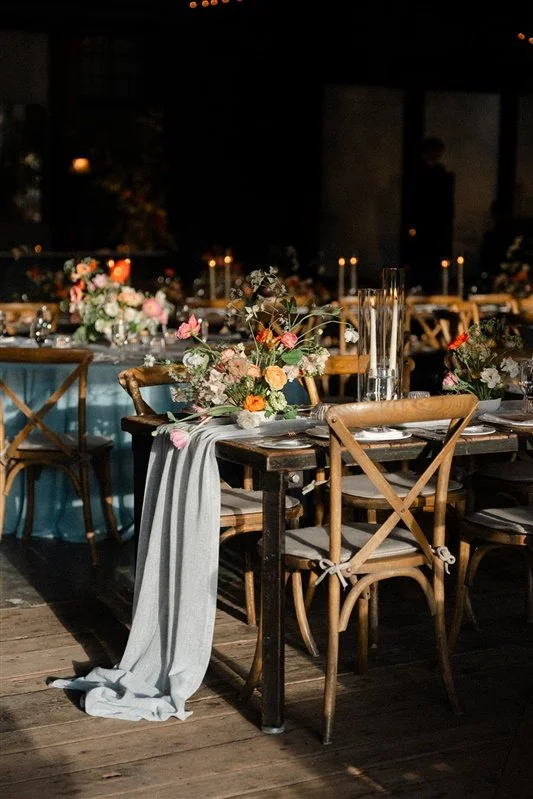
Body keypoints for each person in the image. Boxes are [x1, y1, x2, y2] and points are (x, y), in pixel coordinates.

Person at [404, 136, 455, 293]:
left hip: (437, 225)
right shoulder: (417, 171)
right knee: (420, 260)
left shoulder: (440, 171)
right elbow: (413, 200)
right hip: (422, 223)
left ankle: (431, 288)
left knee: (434, 262)